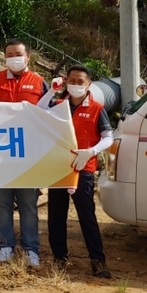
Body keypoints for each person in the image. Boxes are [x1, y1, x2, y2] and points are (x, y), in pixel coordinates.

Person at [39, 65, 114, 278]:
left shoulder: (97, 108)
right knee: (56, 216)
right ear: (66, 81)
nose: (76, 85)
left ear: (89, 84)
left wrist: (90, 152)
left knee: (87, 216)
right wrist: (52, 91)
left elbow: (108, 137)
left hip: (83, 169)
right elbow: (38, 110)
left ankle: (97, 260)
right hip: (59, 169)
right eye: (72, 80)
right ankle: (59, 258)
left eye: (81, 81)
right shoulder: (59, 105)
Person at [0, 39, 46, 268]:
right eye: (9, 54)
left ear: (28, 57)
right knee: (2, 204)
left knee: (28, 205)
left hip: (28, 155)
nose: (13, 58)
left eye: (18, 54)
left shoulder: (39, 82)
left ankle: (30, 250)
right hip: (1, 153)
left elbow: (49, 115)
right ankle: (5, 246)